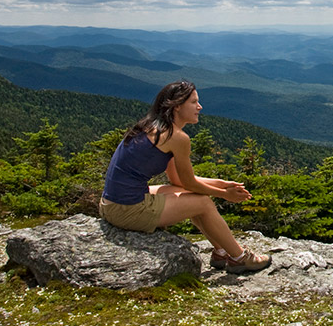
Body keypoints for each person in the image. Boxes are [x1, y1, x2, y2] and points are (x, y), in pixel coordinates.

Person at [99, 80, 271, 274]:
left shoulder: (152, 127)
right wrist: (224, 194)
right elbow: (189, 182)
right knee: (203, 203)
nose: (200, 107)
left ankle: (222, 251)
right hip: (127, 211)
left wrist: (222, 184)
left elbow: (178, 181)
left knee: (183, 193)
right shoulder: (176, 137)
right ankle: (240, 258)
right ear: (177, 105)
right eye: (194, 102)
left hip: (111, 204)